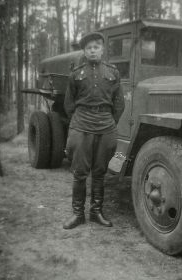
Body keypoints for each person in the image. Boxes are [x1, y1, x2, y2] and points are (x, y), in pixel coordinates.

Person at [63, 32, 125, 229]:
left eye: (96, 47)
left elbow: (119, 103)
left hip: (106, 125)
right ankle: (77, 214)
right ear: (84, 51)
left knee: (100, 171)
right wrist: (80, 119)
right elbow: (69, 104)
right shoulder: (76, 73)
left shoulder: (113, 72)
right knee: (80, 172)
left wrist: (109, 121)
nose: (92, 51)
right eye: (88, 48)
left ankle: (96, 212)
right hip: (82, 124)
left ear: (102, 49)